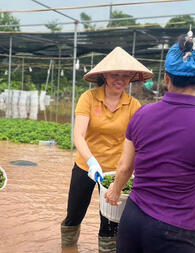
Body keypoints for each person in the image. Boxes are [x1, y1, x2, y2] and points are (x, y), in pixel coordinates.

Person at [105, 31, 195, 253]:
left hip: (132, 221)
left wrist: (115, 190)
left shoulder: (141, 115)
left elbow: (125, 167)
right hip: (175, 231)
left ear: (166, 78)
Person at [61, 47, 153, 252]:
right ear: (104, 75)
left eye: (124, 75)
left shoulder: (133, 105)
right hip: (86, 166)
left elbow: (139, 142)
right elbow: (78, 135)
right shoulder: (89, 98)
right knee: (74, 215)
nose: (119, 79)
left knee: (110, 223)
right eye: (114, 74)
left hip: (116, 172)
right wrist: (92, 162)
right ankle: (67, 247)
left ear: (130, 79)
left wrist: (136, 170)